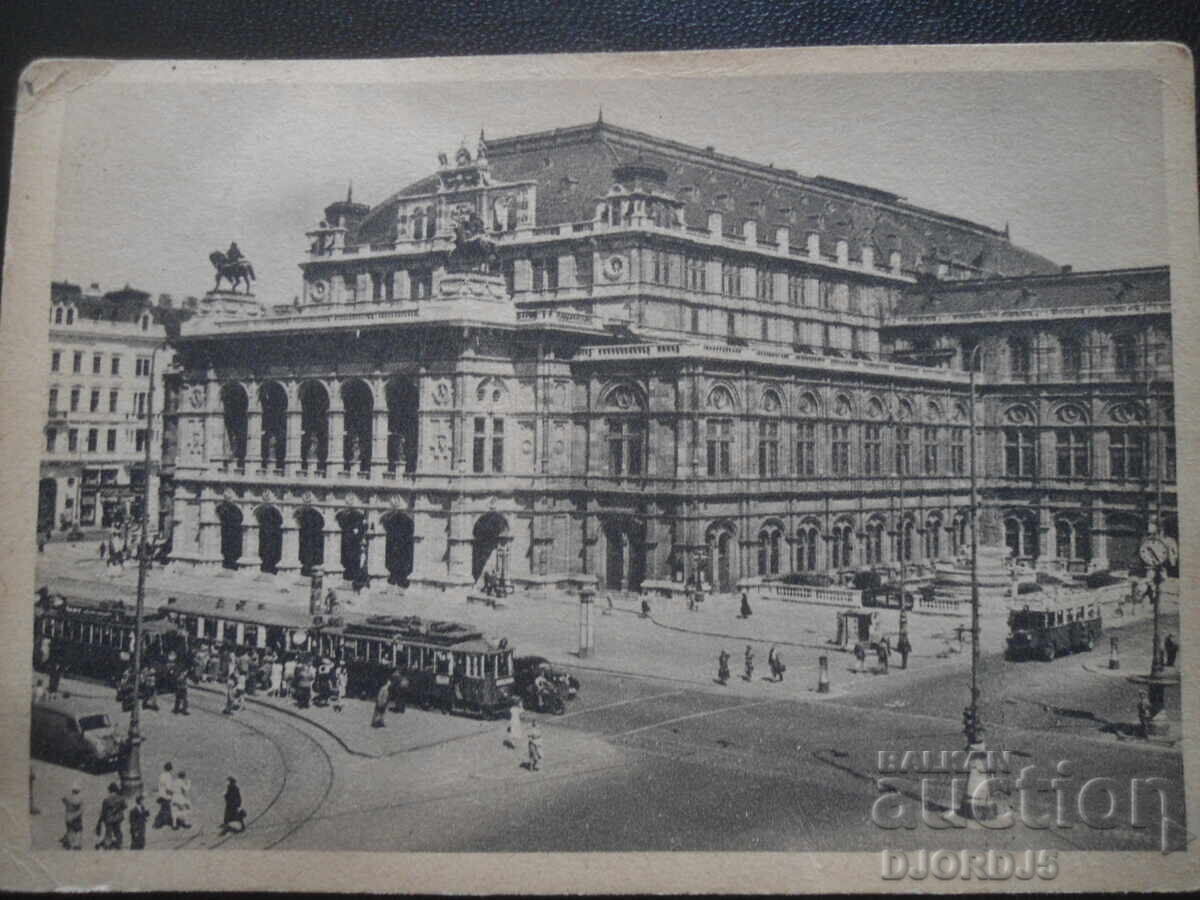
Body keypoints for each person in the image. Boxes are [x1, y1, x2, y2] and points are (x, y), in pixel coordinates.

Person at [94, 782, 126, 850]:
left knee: (108, 833)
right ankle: (119, 845)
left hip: (108, 819)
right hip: (117, 818)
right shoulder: (121, 798)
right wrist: (117, 809)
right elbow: (124, 806)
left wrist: (99, 822)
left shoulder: (106, 800)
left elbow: (103, 812)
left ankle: (107, 846)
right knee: (118, 832)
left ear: (110, 790)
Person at [61, 784, 84, 850]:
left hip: (68, 817)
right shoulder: (80, 799)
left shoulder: (68, 798)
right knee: (78, 831)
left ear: (72, 791)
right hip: (77, 817)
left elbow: (63, 799)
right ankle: (76, 844)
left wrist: (66, 802)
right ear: (78, 791)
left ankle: (70, 844)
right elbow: (81, 810)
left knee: (70, 831)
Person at [154, 762, 175, 829]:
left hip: (161, 795)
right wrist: (174, 792)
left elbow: (160, 785)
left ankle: (170, 822)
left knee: (165, 809)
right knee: (165, 810)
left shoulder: (162, 775)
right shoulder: (168, 776)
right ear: (170, 769)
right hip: (167, 796)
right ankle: (157, 824)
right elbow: (168, 788)